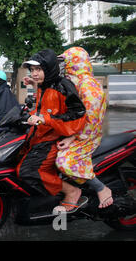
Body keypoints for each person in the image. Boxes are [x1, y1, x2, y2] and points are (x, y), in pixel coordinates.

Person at [16, 49, 87, 205]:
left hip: (52, 140)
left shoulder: (63, 86)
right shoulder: (44, 85)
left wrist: (45, 119)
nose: (34, 73)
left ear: (49, 68)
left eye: (39, 69)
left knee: (28, 172)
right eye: (32, 69)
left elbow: (78, 113)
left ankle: (71, 191)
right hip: (39, 137)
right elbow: (43, 107)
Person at [53, 47, 113, 212]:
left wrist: (73, 137)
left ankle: (101, 188)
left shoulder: (88, 85)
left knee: (64, 162)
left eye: (66, 62)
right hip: (71, 131)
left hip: (87, 136)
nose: (63, 66)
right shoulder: (74, 81)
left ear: (75, 62)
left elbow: (91, 119)